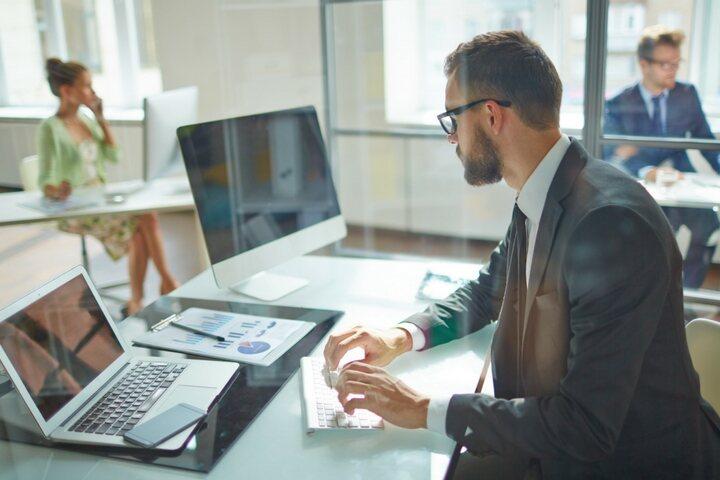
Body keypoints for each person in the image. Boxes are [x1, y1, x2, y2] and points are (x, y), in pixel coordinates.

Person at [324, 31, 720, 478]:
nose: (451, 138)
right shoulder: (549, 188)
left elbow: (585, 427)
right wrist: (399, 336)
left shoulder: (607, 226)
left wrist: (419, 407)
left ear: (491, 115)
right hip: (550, 441)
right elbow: (490, 288)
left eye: (453, 119)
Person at [38, 58, 179, 315]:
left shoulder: (87, 120)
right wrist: (58, 190)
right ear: (66, 91)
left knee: (144, 221)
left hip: (100, 198)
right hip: (74, 208)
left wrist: (101, 119)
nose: (93, 92)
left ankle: (138, 299)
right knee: (144, 220)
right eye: (87, 86)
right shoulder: (50, 128)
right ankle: (165, 283)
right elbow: (44, 180)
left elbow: (114, 156)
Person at [604, 25, 720, 289]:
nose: (673, 69)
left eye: (676, 63)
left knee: (709, 229)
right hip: (643, 184)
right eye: (665, 64)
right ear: (644, 65)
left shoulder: (687, 94)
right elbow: (613, 152)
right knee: (655, 245)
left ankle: (685, 295)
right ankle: (655, 298)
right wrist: (646, 169)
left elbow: (706, 141)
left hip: (681, 179)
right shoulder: (619, 103)